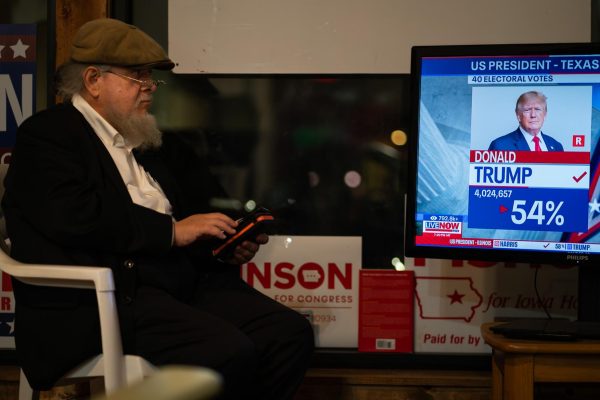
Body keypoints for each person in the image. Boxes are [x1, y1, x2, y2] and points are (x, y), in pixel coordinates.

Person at [2, 18, 314, 400]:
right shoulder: (49, 135)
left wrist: (225, 243)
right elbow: (72, 215)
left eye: (151, 77)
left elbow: (193, 213)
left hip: (177, 284)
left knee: (287, 334)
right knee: (226, 351)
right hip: (108, 298)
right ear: (93, 80)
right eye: (138, 77)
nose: (150, 88)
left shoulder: (146, 139)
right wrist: (172, 231)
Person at [488, 91, 564, 152]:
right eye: (527, 110)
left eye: (538, 109)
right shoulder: (500, 146)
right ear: (518, 115)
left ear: (545, 114)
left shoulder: (556, 146)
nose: (533, 115)